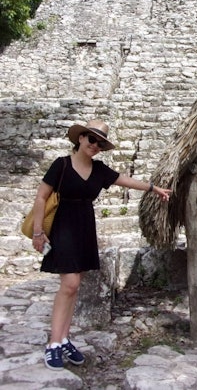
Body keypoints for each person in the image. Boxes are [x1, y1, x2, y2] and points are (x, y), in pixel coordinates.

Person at [31, 119, 171, 371]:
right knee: (69, 284)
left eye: (100, 143)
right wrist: (38, 232)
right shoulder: (61, 164)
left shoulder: (99, 170)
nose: (95, 145)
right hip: (63, 227)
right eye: (92, 139)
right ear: (81, 138)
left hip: (84, 228)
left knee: (75, 287)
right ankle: (53, 343)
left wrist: (153, 188)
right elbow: (41, 196)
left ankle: (63, 338)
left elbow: (125, 180)